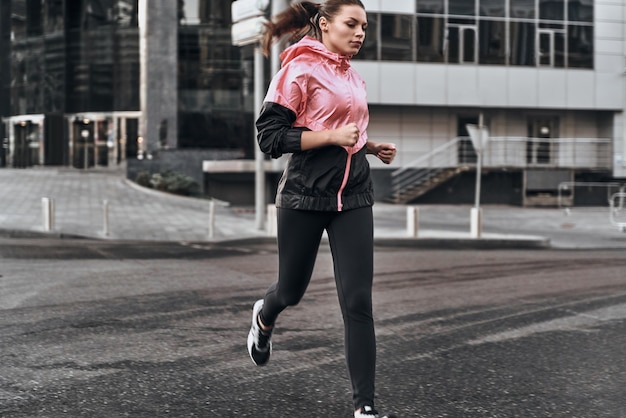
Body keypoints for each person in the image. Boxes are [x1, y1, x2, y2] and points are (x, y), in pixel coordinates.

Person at [246, 1, 397, 417]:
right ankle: (265, 317)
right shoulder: (298, 70)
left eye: (365, 26)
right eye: (352, 24)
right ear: (325, 24)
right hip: (304, 198)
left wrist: (368, 145)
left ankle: (364, 407)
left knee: (358, 302)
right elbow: (270, 137)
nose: (361, 33)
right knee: (290, 291)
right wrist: (333, 136)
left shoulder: (353, 77)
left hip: (353, 198)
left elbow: (341, 130)